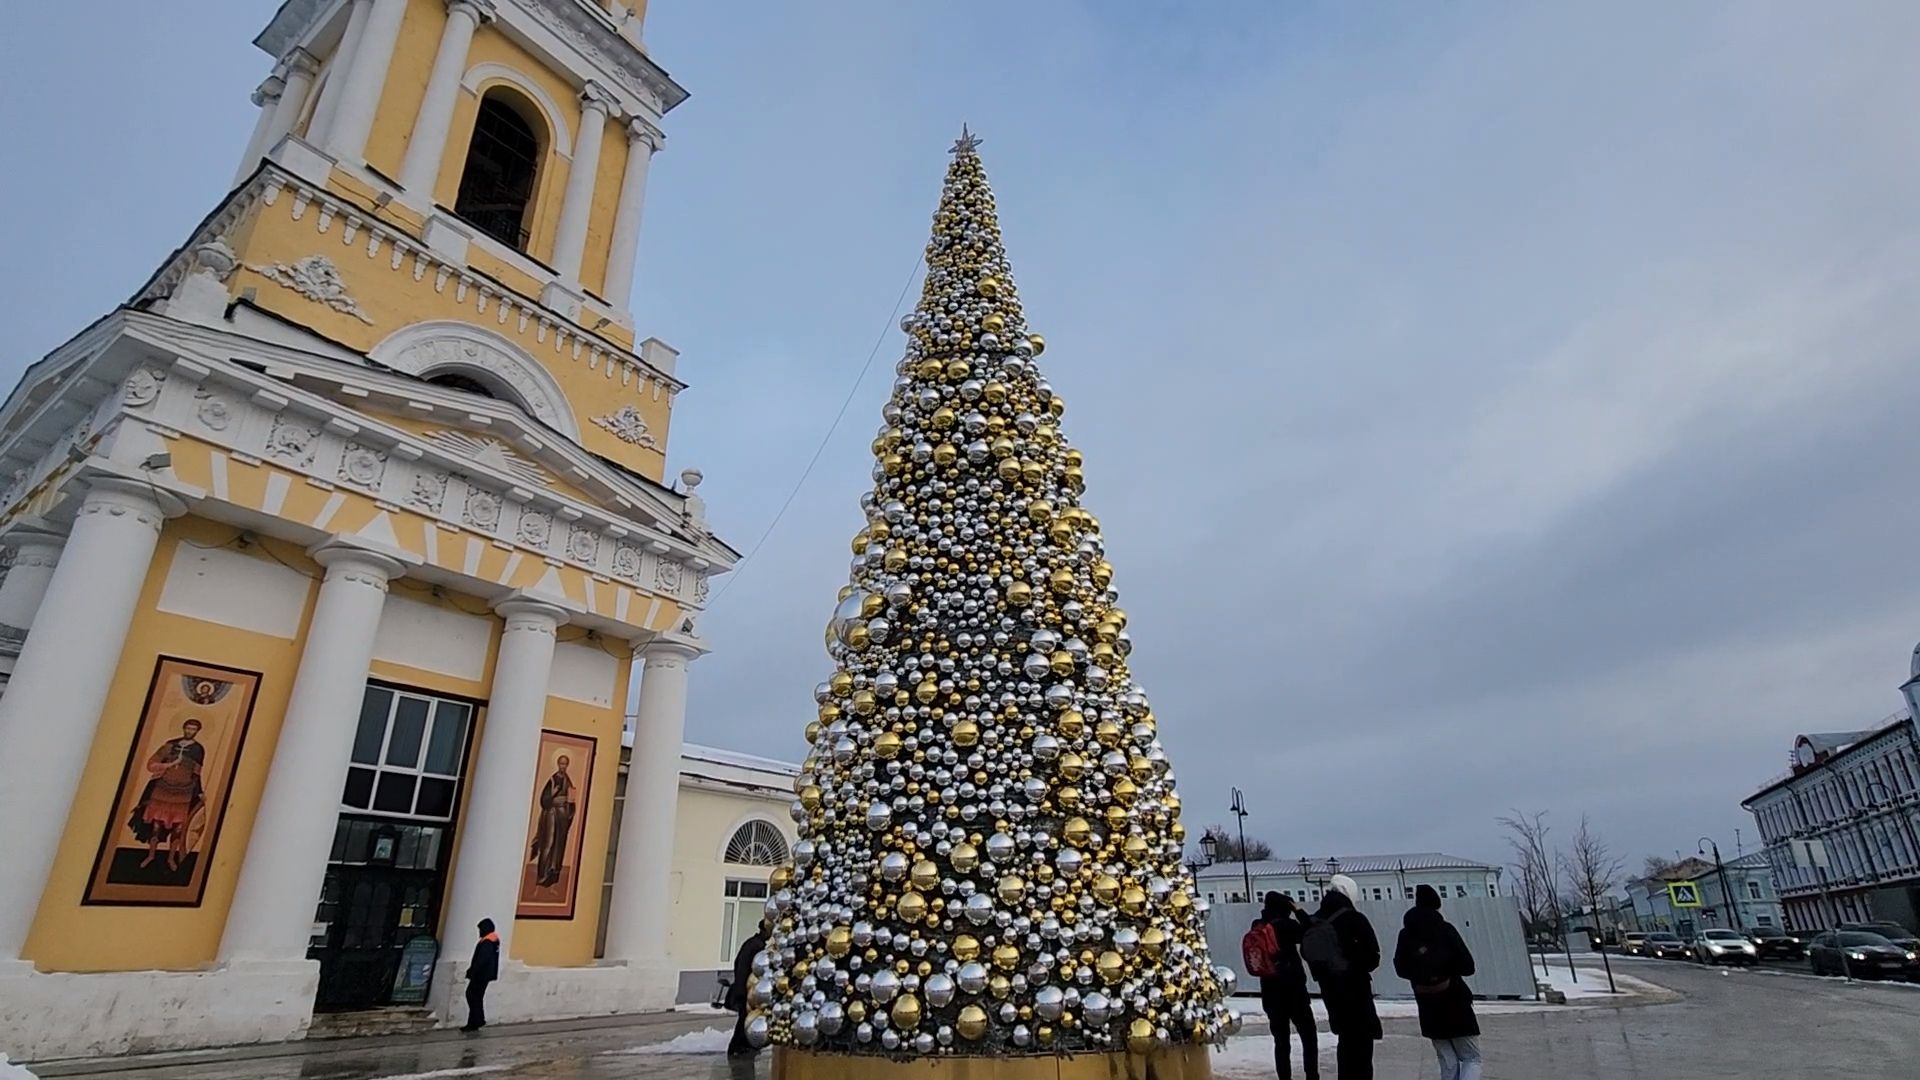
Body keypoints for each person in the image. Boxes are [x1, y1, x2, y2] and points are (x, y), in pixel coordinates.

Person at [1394, 884, 1482, 1080]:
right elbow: (1468, 966)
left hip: (1427, 1005)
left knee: (1447, 1061)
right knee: (1471, 1058)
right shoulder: (1445, 929)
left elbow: (1400, 968)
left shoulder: (1405, 934)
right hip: (1455, 1001)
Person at [1302, 882, 1382, 1080]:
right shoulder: (1354, 919)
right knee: (1362, 1051)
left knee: (1345, 1044)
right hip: (1356, 991)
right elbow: (1373, 958)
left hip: (1330, 992)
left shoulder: (1316, 921)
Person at [129, 719, 207, 872]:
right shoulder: (170, 744)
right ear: (183, 728)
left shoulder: (198, 749)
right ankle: (151, 856)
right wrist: (168, 765)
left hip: (184, 792)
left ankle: (171, 858)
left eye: (193, 729)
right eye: (188, 728)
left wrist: (199, 792)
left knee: (178, 828)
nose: (190, 731)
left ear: (197, 731)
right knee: (156, 826)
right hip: (163, 788)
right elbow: (151, 764)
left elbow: (197, 773)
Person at [1256, 892, 1318, 1079]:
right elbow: (1309, 929)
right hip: (1294, 989)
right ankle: (1312, 1076)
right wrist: (1298, 910)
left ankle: (1284, 1077)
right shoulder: (1287, 925)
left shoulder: (1258, 926)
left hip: (1270, 990)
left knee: (1281, 1041)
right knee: (1308, 1035)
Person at [530, 755, 577, 888]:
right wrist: (553, 796)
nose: (563, 767)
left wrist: (570, 804)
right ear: (558, 764)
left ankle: (554, 873)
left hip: (562, 815)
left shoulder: (567, 780)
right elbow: (544, 800)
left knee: (559, 844)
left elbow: (571, 797)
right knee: (549, 843)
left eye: (565, 764)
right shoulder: (552, 780)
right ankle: (542, 874)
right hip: (552, 814)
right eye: (561, 764)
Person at [726, 919, 769, 1057]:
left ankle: (742, 1045)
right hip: (746, 989)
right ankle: (736, 1046)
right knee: (745, 1019)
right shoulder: (757, 946)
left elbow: (738, 963)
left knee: (745, 1018)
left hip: (743, 986)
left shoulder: (752, 943)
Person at [461, 918, 500, 1033]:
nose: (479, 932)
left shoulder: (487, 941)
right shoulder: (493, 939)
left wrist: (472, 971)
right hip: (485, 974)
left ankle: (477, 1020)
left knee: (472, 995)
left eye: (480, 929)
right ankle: (475, 1021)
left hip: (481, 974)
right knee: (476, 997)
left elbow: (481, 960)